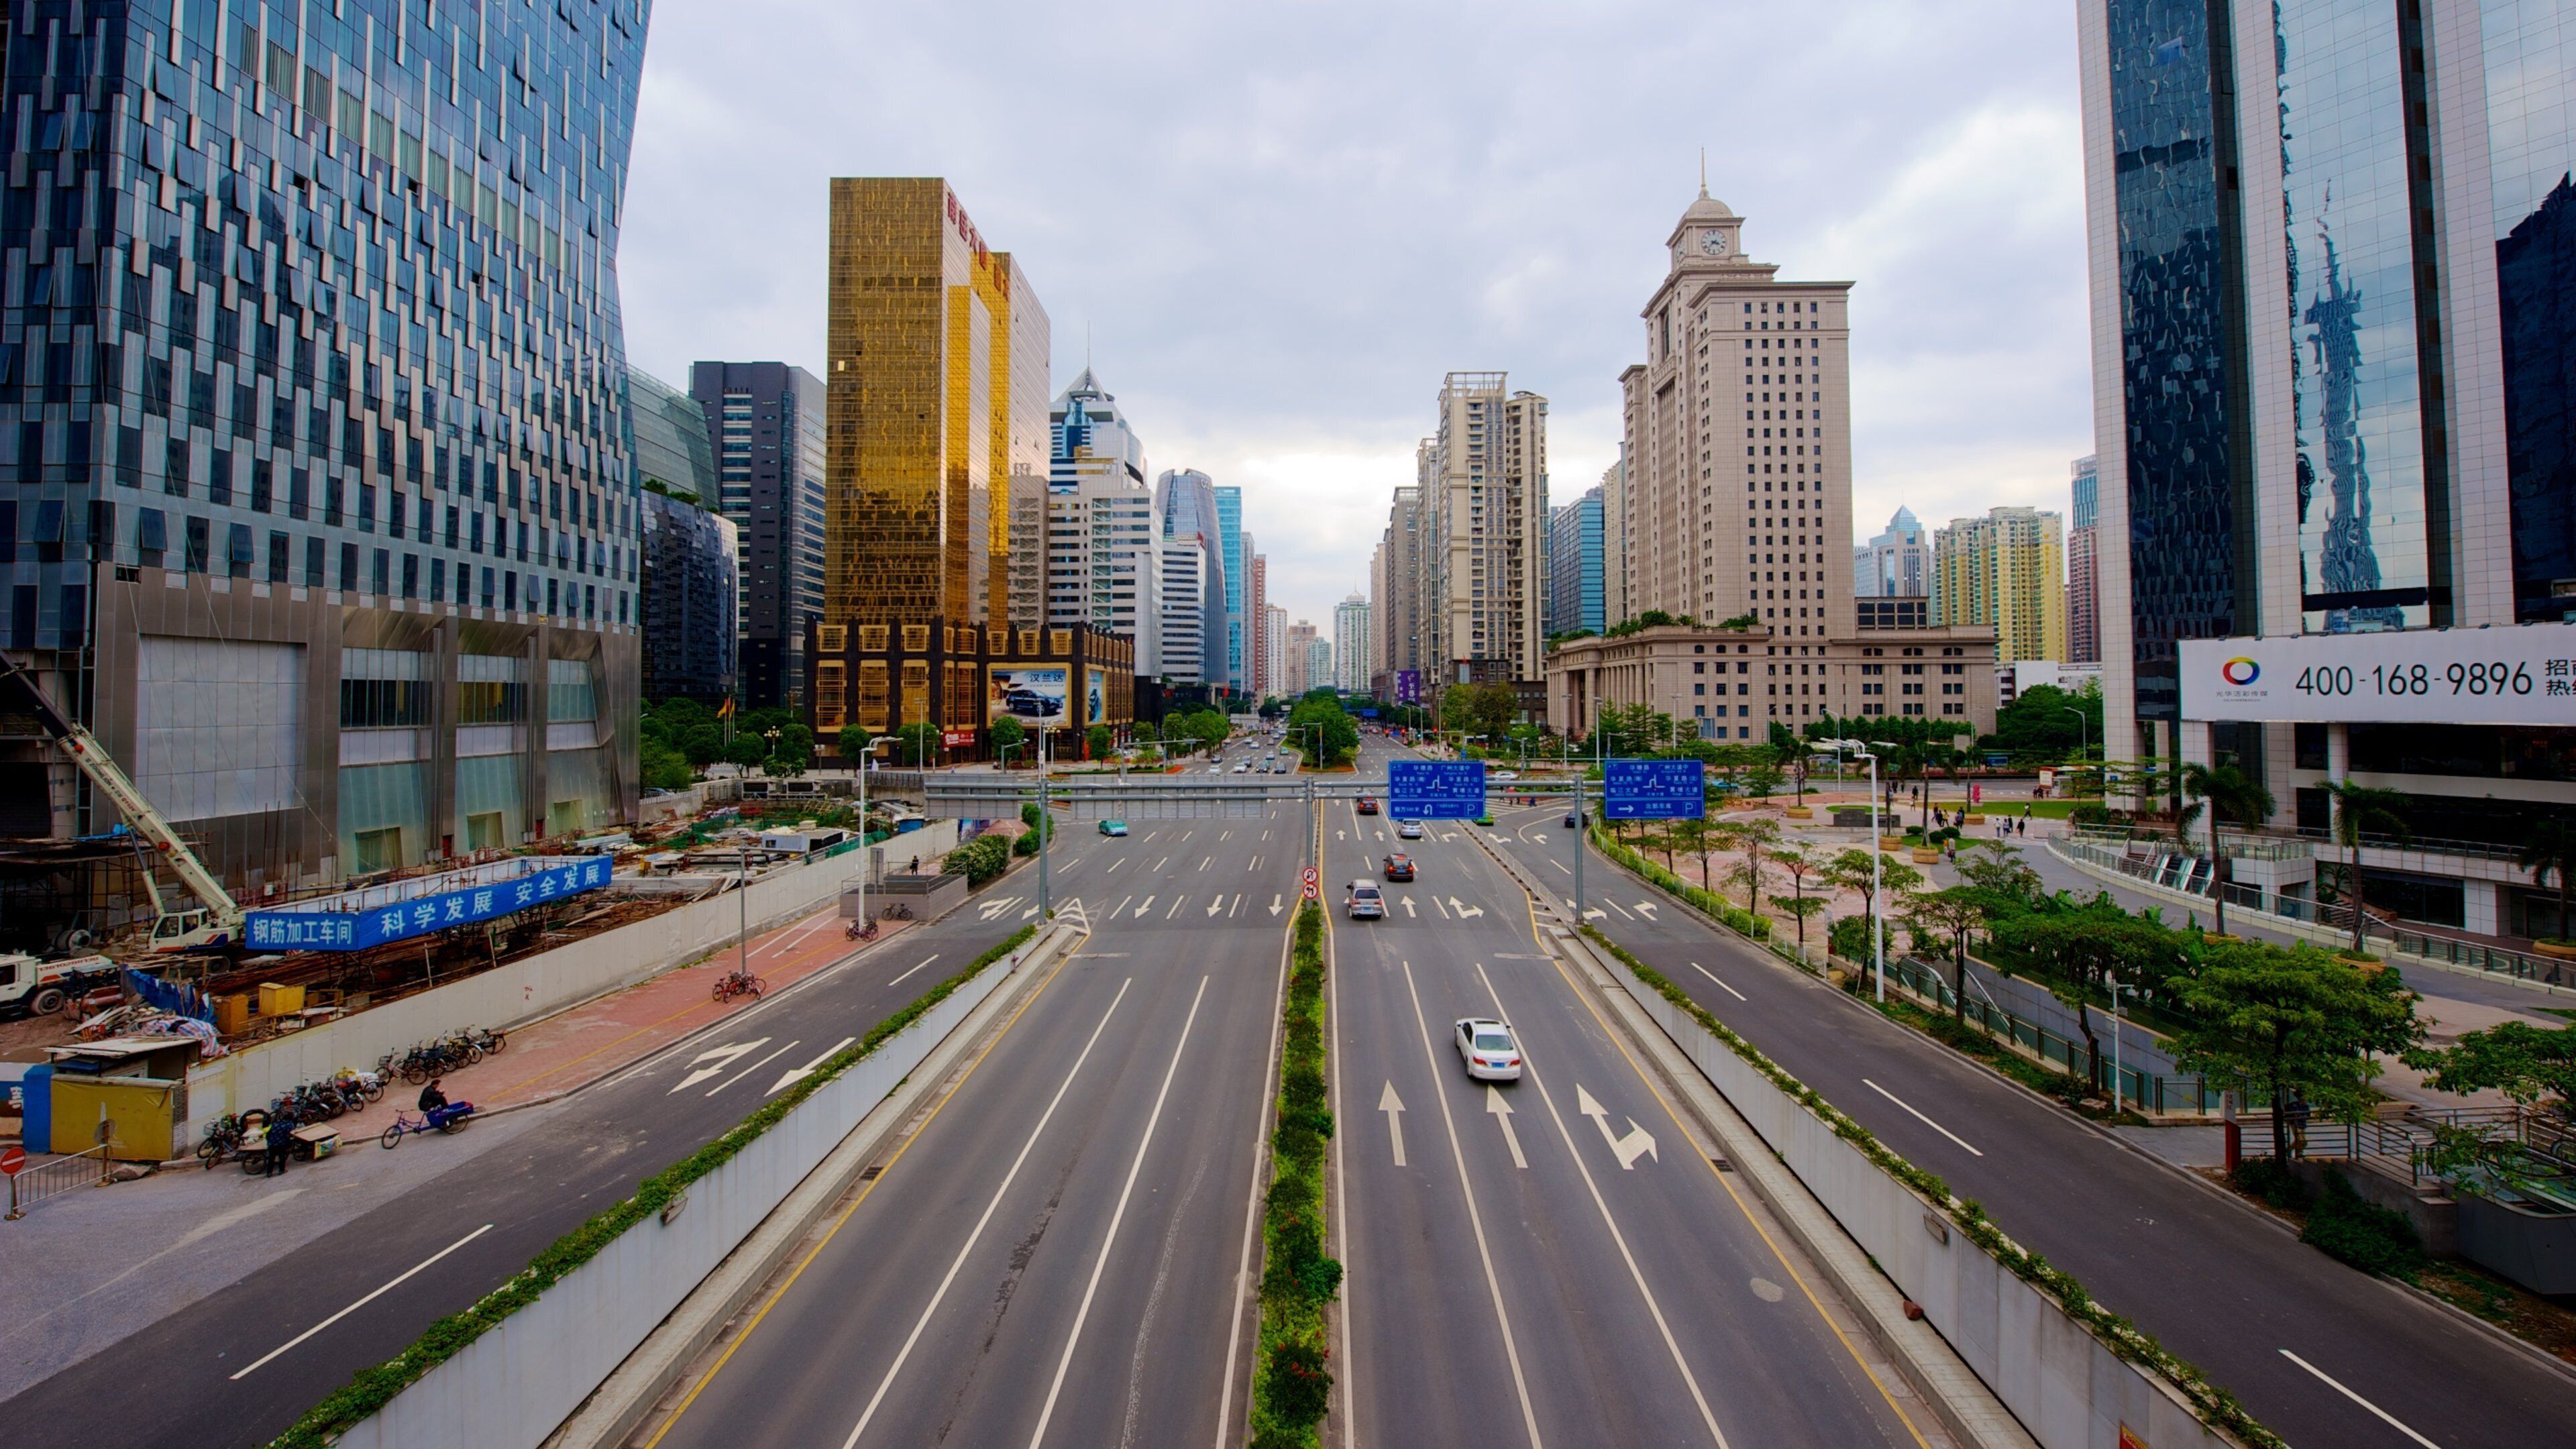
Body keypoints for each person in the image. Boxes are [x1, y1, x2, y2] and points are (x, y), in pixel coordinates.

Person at [262, 1107, 295, 1178]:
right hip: (281, 1144)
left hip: (272, 1144)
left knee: (271, 1159)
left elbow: (268, 1135)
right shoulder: (289, 1125)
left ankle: (269, 1173)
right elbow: (289, 1135)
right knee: (282, 1157)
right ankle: (281, 1170)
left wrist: (270, 1142)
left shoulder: (275, 1124)